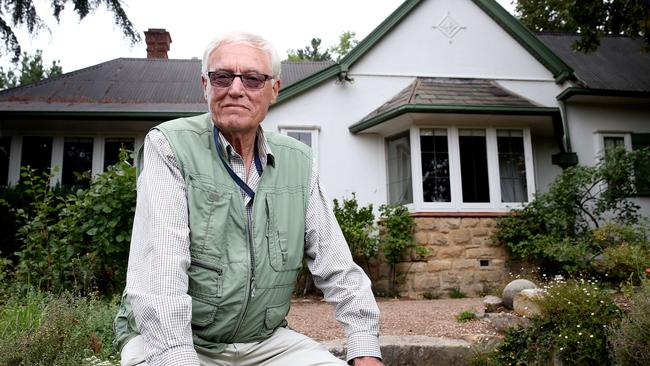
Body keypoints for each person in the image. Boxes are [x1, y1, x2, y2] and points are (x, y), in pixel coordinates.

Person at [113, 31, 384, 366]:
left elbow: (338, 266)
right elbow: (160, 273)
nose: (236, 89)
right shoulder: (169, 146)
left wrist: (364, 345)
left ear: (274, 90)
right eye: (222, 77)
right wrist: (177, 358)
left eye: (253, 79)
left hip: (264, 342)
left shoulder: (299, 162)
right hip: (171, 340)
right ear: (205, 85)